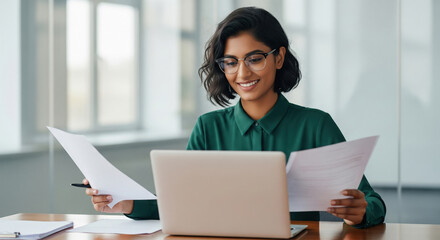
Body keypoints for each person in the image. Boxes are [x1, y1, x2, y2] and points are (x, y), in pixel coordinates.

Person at [84, 6, 386, 228]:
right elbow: (182, 203)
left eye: (255, 59)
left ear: (278, 57)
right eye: (231, 62)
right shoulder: (208, 128)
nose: (242, 73)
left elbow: (372, 202)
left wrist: (359, 211)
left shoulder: (315, 125)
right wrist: (128, 203)